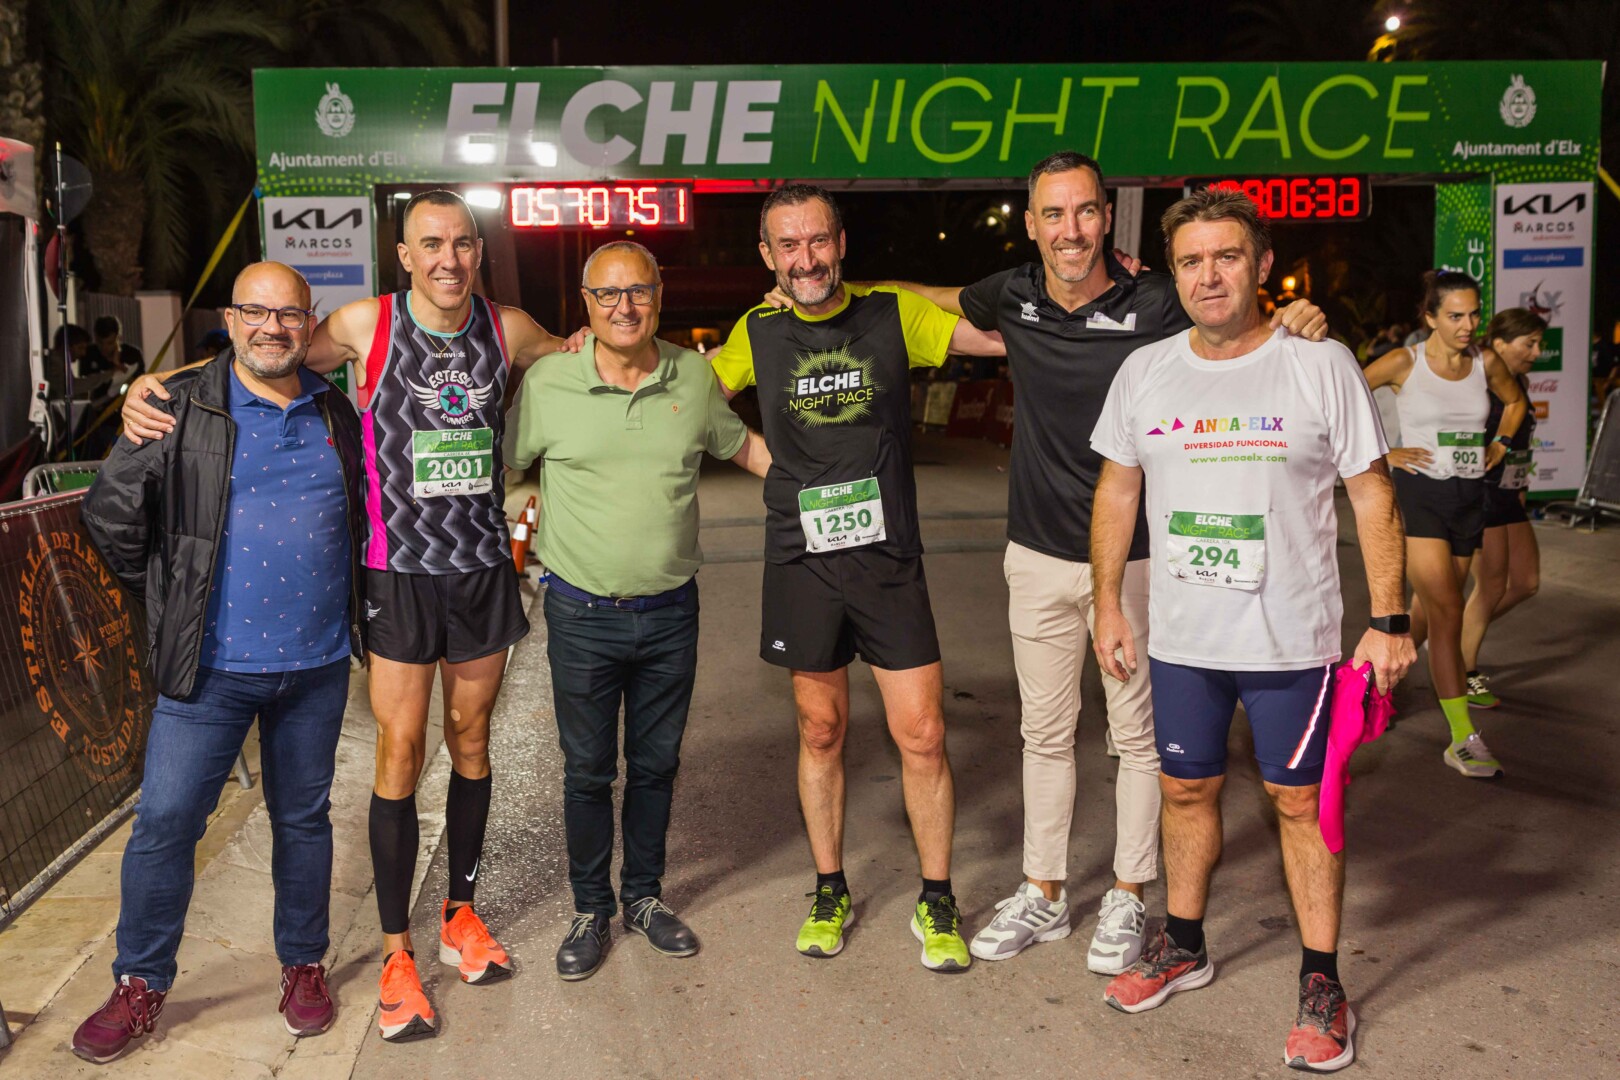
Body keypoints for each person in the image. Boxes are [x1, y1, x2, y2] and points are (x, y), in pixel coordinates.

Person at [852, 151, 1326, 975]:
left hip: (1139, 558)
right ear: (1032, 225)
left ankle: (1129, 893)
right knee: (1043, 733)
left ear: (1106, 218)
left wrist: (1297, 317)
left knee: (1137, 738)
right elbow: (924, 296)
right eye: (1053, 214)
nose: (1069, 230)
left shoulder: (1157, 300)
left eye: (1083, 212)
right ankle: (1042, 890)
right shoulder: (1012, 295)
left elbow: (1236, 324)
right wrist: (840, 290)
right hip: (1035, 553)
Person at [121, 190, 566, 1043]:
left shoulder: (508, 329)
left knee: (472, 742)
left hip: (480, 570)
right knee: (401, 752)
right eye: (430, 243)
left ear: (479, 252)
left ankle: (460, 914)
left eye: (462, 243)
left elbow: (575, 348)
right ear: (404, 255)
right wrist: (155, 386)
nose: (447, 258)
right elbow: (264, 354)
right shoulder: (367, 324)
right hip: (398, 574)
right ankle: (397, 955)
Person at [1088, 187, 1415, 1073]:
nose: (1209, 276)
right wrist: (1107, 601)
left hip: (1291, 642)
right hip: (1183, 640)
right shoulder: (1146, 371)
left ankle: (1322, 980)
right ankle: (1184, 943)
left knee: (1300, 803)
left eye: (1226, 256)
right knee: (1184, 789)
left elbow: (1371, 492)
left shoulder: (1321, 364)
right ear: (1173, 274)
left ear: (1262, 263)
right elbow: (1118, 490)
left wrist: (1390, 619)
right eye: (1191, 261)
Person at [75, 263, 366, 1063]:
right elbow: (109, 513)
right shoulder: (178, 405)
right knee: (167, 822)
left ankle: (303, 964)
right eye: (255, 312)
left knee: (303, 820)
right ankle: (140, 980)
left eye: (289, 315)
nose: (272, 327)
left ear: (310, 324)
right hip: (210, 669)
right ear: (232, 319)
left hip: (316, 665)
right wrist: (174, 598)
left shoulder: (335, 409)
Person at [713, 184, 1004, 973]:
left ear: (840, 244)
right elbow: (692, 398)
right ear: (768, 256)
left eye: (818, 241)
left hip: (887, 561)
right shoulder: (757, 330)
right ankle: (830, 888)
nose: (805, 258)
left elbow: (992, 335)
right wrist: (759, 460)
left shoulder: (890, 315)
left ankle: (936, 897)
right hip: (802, 560)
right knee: (821, 729)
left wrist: (1094, 298)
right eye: (788, 245)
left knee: (924, 732)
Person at [503, 242, 771, 981]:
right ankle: (591, 908)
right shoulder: (550, 382)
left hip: (671, 613)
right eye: (608, 294)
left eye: (638, 291)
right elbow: (509, 469)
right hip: (581, 614)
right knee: (588, 770)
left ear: (659, 295)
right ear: (585, 304)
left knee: (655, 765)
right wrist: (523, 537)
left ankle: (644, 898)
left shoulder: (692, 375)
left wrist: (822, 491)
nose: (624, 307)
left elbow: (742, 447)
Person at [1362, 271, 1526, 778]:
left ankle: (1366, 685)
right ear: (1430, 317)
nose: (1468, 325)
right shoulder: (1404, 362)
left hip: (1468, 498)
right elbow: (1343, 399)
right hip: (1420, 497)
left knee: (1430, 612)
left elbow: (1515, 401)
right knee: (1449, 612)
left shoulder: (1486, 362)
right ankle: (1461, 738)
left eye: (1474, 314)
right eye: (1455, 316)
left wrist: (1500, 443)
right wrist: (1384, 452)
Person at [1459, 308, 1546, 707]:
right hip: (1482, 494)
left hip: (1510, 494)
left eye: (1539, 344)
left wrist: (1521, 486)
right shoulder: (1478, 385)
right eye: (1529, 343)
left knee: (1526, 582)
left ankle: (1452, 635)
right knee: (1491, 586)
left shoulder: (1519, 383)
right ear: (1499, 344)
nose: (1537, 352)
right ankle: (1463, 672)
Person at [84, 314, 146, 383]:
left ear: (118, 337)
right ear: (95, 337)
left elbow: (141, 382)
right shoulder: (88, 354)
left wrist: (119, 366)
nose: (104, 347)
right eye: (100, 342)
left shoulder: (132, 354)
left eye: (110, 343)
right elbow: (85, 383)